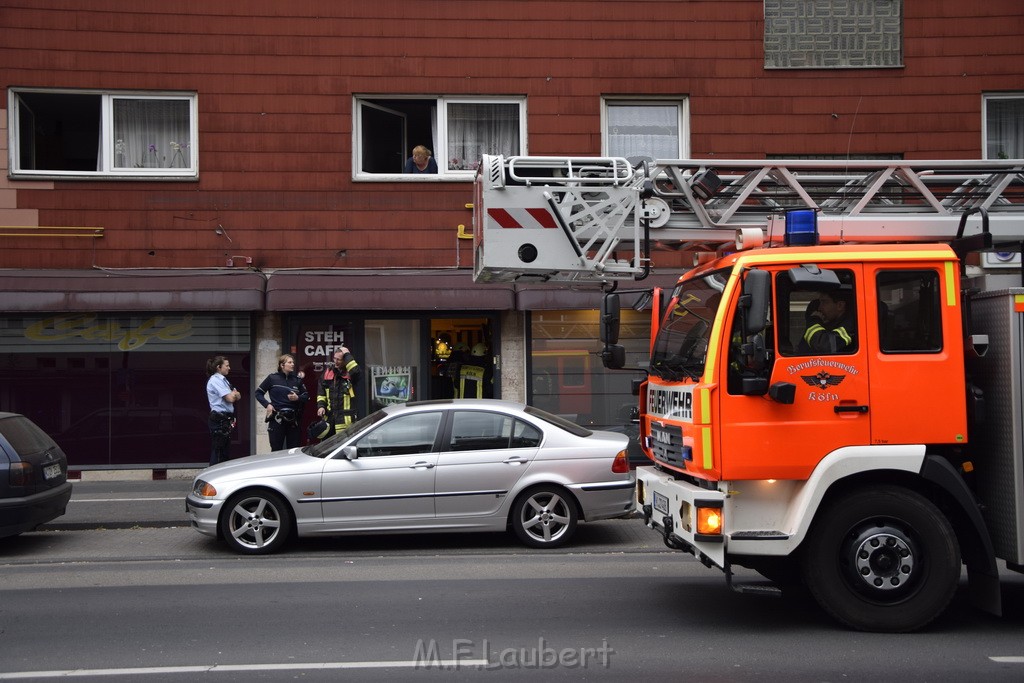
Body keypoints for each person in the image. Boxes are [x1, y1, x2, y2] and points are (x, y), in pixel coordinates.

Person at [255, 353, 308, 451]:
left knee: (293, 451)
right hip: (277, 418)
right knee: (276, 450)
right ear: (282, 365)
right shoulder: (272, 378)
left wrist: (297, 397)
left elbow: (306, 396)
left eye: (293, 362)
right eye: (289, 362)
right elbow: (258, 393)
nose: (292, 364)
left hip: (293, 420)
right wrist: (267, 405)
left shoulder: (297, 380)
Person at [317, 346, 362, 435]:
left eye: (339, 359)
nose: (336, 362)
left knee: (344, 446)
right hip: (329, 419)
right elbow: (321, 393)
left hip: (345, 420)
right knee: (327, 447)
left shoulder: (351, 374)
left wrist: (347, 354)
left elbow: (356, 372)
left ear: (345, 360)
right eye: (334, 358)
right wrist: (321, 406)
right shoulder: (328, 372)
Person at [206, 356, 241, 466]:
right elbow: (231, 398)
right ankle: (212, 480)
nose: (229, 368)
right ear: (218, 367)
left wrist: (235, 394)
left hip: (225, 419)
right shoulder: (216, 380)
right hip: (219, 419)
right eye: (227, 365)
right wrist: (234, 394)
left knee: (224, 452)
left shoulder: (224, 380)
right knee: (219, 452)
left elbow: (238, 395)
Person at [799, 289, 856, 354]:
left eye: (824, 302)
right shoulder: (829, 324)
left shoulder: (851, 326)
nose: (819, 308)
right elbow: (802, 350)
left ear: (840, 305)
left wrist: (814, 320)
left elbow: (824, 346)